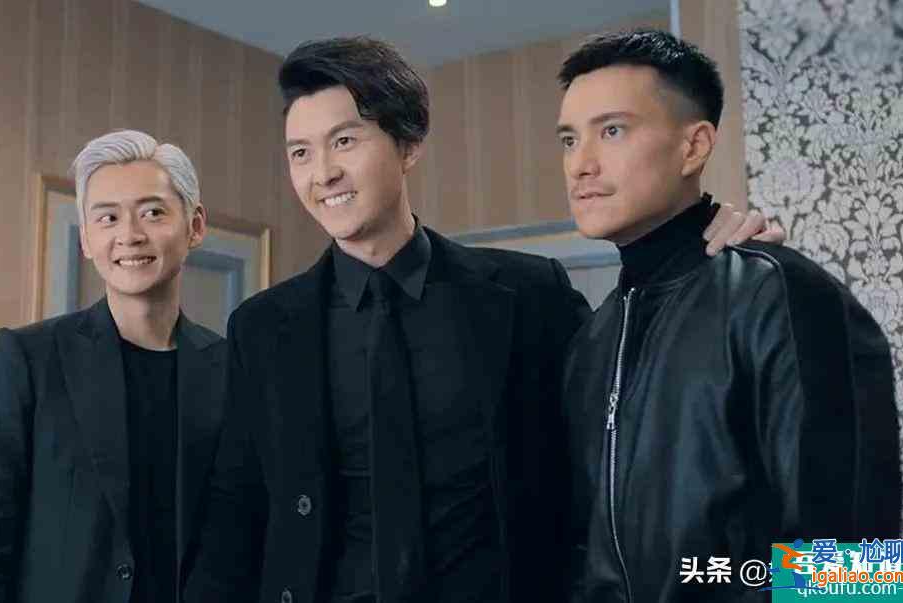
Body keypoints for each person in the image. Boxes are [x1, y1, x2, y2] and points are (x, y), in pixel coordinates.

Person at [190, 36, 779, 603]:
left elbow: (625, 437)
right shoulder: (263, 329)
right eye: (300, 152)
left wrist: (709, 251)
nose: (323, 173)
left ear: (408, 144)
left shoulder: (530, 296)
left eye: (344, 141)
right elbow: (233, 520)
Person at [555, 30, 901, 602]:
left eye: (612, 131)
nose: (581, 165)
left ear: (693, 147)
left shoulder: (781, 294)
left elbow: (861, 569)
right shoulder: (592, 340)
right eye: (569, 139)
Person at [0, 130, 227, 603]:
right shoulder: (27, 360)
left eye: (152, 212)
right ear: (86, 238)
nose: (129, 235)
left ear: (195, 226)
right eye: (107, 217)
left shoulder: (231, 368)